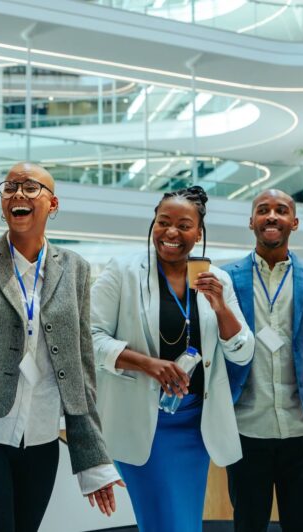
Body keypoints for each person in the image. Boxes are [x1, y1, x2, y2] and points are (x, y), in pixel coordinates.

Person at [0, 162, 123, 532]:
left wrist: (93, 458)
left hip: (40, 440)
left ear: (53, 204)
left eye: (30, 187)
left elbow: (81, 365)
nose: (17, 193)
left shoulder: (76, 269)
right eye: (10, 187)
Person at [91, 185, 254, 532]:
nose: (171, 233)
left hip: (195, 425)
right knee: (160, 520)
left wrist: (220, 307)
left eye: (184, 225)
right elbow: (88, 338)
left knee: (184, 522)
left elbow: (242, 351)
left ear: (199, 233)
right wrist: (147, 364)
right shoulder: (123, 271)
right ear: (153, 224)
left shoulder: (218, 280)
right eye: (164, 222)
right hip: (140, 421)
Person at [222, 189, 303, 532]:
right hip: (245, 430)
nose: (272, 215)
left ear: (294, 222)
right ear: (251, 221)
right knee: (248, 525)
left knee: (301, 525)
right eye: (263, 209)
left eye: (281, 210)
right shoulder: (224, 278)